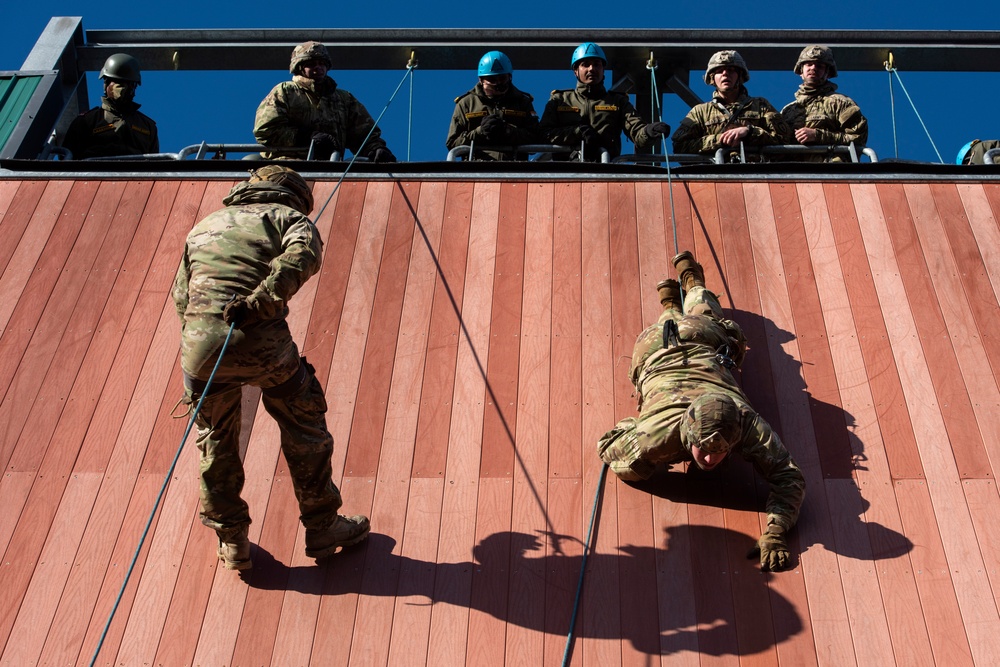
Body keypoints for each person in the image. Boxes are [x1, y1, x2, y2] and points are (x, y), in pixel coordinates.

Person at [172, 165, 370, 571]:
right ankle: (323, 525)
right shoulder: (289, 219)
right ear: (295, 195)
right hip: (258, 336)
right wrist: (261, 301)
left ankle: (232, 541)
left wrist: (200, 341)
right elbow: (303, 257)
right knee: (303, 419)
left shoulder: (204, 226)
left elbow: (181, 296)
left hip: (200, 349)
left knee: (215, 442)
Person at [597, 250, 805, 572]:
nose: (709, 460)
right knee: (634, 468)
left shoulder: (745, 422)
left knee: (702, 322)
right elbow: (608, 446)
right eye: (705, 450)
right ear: (686, 433)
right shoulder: (655, 437)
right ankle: (685, 289)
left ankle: (674, 301)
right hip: (656, 350)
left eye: (719, 453)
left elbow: (789, 477)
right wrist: (636, 430)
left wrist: (776, 533)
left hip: (673, 346)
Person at [253, 41, 396, 163]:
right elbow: (265, 130)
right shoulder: (285, 91)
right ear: (299, 67)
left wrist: (375, 149)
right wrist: (307, 137)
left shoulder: (344, 99)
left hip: (329, 170)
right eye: (311, 63)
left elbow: (364, 133)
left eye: (322, 63)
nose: (318, 67)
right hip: (285, 166)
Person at [538, 42, 669, 161]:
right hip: (566, 171)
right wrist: (576, 132)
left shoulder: (617, 101)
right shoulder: (560, 100)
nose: (591, 69)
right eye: (585, 64)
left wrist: (649, 132)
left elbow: (636, 131)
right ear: (576, 71)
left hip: (605, 170)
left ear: (603, 69)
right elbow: (543, 134)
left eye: (596, 64)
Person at [671, 50, 790, 161]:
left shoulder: (760, 105)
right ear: (712, 78)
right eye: (719, 71)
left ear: (740, 76)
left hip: (757, 174)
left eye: (731, 70)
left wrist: (750, 132)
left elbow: (784, 141)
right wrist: (719, 140)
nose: (725, 74)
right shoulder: (700, 112)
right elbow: (680, 147)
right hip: (715, 176)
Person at [446, 51, 541, 161]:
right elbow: (452, 143)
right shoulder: (466, 103)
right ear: (481, 80)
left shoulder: (522, 102)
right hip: (477, 170)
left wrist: (508, 131)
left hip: (513, 168)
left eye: (502, 78)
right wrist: (480, 132)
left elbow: (536, 137)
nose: (498, 84)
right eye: (492, 80)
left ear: (509, 77)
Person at [780, 45, 868, 162]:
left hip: (831, 172)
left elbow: (857, 138)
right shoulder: (788, 110)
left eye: (819, 66)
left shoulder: (840, 103)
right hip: (793, 174)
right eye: (808, 64)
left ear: (827, 73)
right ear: (801, 71)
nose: (813, 68)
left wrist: (818, 135)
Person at [62, 53, 159, 159]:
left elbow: (155, 165)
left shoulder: (147, 126)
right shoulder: (87, 121)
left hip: (134, 174)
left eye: (128, 83)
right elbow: (67, 159)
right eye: (117, 82)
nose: (122, 88)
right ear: (106, 84)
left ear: (134, 87)